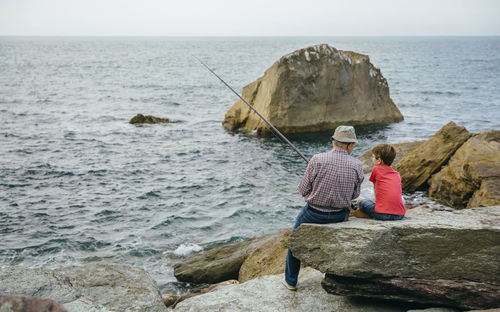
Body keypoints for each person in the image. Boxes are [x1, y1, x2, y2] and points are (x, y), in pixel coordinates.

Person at [283, 125, 364, 291]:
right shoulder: (357, 165)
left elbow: (303, 189)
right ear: (349, 145)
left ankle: (291, 282)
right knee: (338, 246)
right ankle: (329, 274)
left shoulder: (317, 159)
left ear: (334, 141)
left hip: (312, 214)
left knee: (294, 243)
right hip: (338, 216)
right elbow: (355, 195)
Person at [356, 144, 406, 220]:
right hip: (400, 215)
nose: (372, 159)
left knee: (360, 200)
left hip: (382, 215)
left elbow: (376, 189)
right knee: (402, 199)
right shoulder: (397, 174)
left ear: (379, 160)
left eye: (373, 157)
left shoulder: (376, 169)